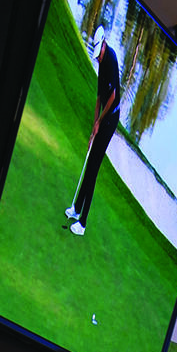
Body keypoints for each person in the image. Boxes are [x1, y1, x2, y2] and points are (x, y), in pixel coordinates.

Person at [65, 22, 127, 237]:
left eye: (98, 53)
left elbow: (111, 97)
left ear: (104, 44)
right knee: (89, 162)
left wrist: (100, 122)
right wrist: (93, 125)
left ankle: (82, 223)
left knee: (93, 168)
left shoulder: (110, 60)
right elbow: (99, 97)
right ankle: (76, 208)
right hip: (103, 118)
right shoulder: (101, 61)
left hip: (111, 119)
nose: (97, 57)